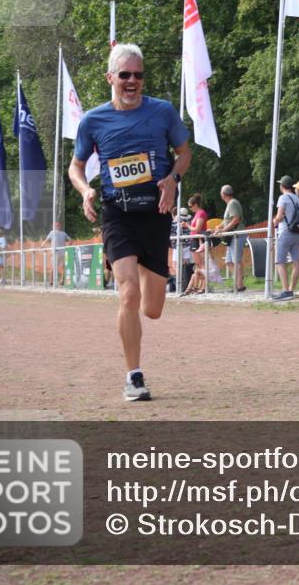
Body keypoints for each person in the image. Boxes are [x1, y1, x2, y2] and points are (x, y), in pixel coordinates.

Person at [69, 42, 191, 402]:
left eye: (138, 75)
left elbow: (184, 154)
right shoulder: (93, 120)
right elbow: (76, 166)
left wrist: (172, 179)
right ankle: (133, 377)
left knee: (151, 309)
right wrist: (85, 190)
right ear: (111, 78)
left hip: (155, 213)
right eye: (125, 75)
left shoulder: (163, 112)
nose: (132, 81)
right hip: (117, 213)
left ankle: (139, 270)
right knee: (128, 294)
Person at [272, 176, 299, 300]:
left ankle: (285, 291)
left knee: (280, 261)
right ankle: (291, 289)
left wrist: (274, 222)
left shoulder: (283, 198)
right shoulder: (297, 199)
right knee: (296, 261)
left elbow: (279, 217)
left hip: (285, 231)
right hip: (297, 232)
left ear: (282, 186)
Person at [213, 185, 246, 292]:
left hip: (236, 235)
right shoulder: (231, 203)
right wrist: (220, 227)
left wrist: (224, 230)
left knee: (236, 261)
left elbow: (236, 219)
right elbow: (228, 220)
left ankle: (239, 285)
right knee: (229, 261)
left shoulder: (232, 203)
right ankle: (238, 281)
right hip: (232, 236)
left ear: (223, 194)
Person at [183, 194, 208, 295]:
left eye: (190, 206)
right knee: (198, 265)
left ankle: (203, 287)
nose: (190, 209)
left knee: (201, 265)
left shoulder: (201, 213)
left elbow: (197, 229)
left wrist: (187, 225)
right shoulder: (197, 214)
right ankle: (196, 286)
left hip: (199, 240)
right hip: (195, 240)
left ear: (195, 205)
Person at [40, 222, 72, 286]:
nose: (55, 226)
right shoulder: (59, 233)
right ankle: (56, 281)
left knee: (57, 267)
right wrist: (68, 246)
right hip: (60, 251)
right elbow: (71, 240)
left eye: (56, 225)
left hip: (58, 252)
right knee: (59, 267)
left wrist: (42, 246)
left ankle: (53, 281)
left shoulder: (54, 232)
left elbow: (46, 240)